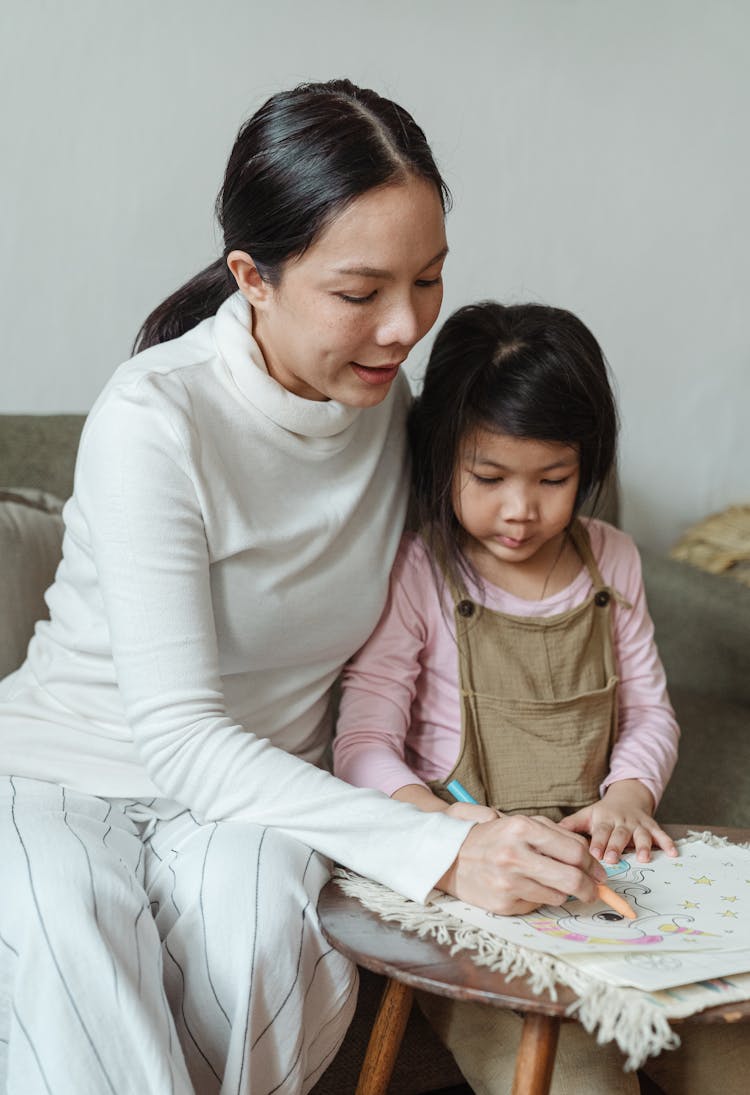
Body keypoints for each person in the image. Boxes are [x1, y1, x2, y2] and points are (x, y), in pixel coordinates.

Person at [0, 82, 607, 1095]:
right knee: (68, 935)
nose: (404, 326)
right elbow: (182, 737)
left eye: (429, 280)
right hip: (65, 774)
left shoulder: (390, 406)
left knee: (264, 933)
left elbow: (474, 595)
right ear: (255, 278)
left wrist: (467, 807)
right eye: (360, 293)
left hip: (262, 804)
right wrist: (435, 850)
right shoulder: (155, 421)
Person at [334, 300, 749, 1092]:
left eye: (553, 479)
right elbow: (361, 743)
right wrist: (440, 826)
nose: (520, 509)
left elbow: (651, 712)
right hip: (475, 899)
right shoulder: (421, 570)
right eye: (488, 478)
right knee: (580, 1079)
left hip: (592, 874)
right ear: (441, 460)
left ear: (588, 466)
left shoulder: (612, 561)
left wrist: (630, 792)